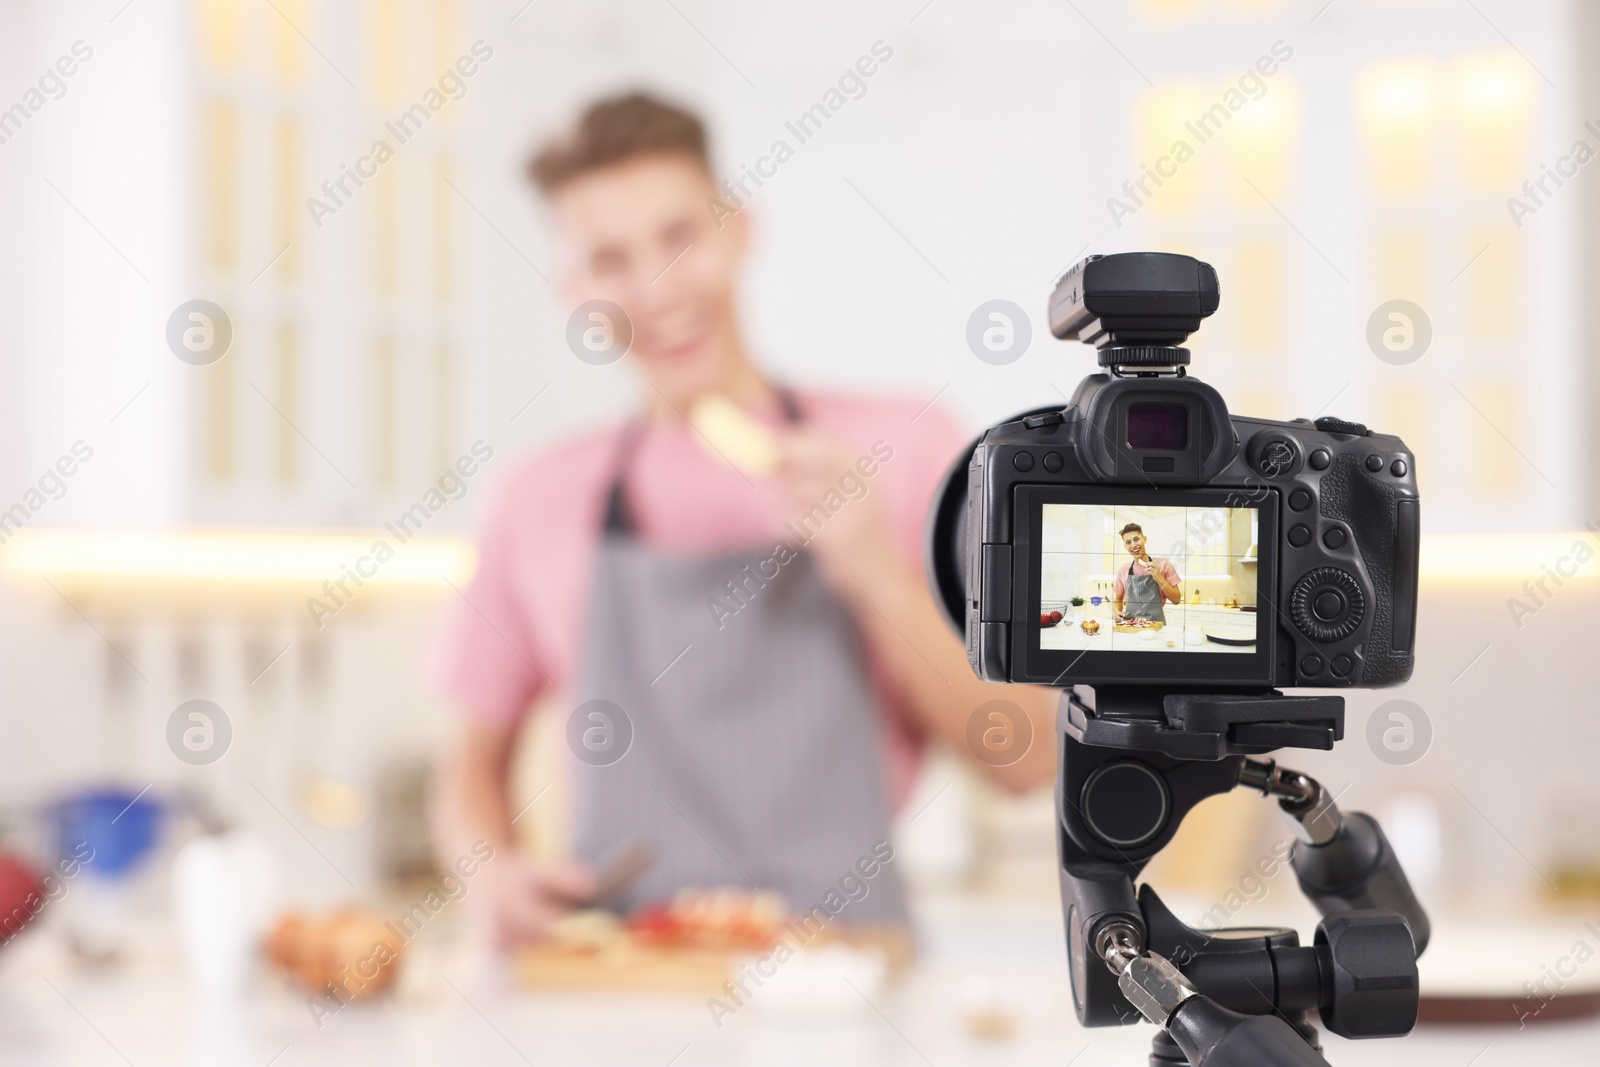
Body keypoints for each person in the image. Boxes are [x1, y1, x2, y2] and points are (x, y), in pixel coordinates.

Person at [428, 92, 1056, 947]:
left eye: (679, 237)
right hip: (622, 982)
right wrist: (487, 872)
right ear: (573, 289)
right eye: (610, 258)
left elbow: (1027, 759)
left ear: (738, 230)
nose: (655, 289)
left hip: (848, 989)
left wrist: (876, 571)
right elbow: (469, 766)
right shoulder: (536, 496)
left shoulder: (906, 447)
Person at [1112, 522, 1181, 625]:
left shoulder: (1164, 564)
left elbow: (1177, 600)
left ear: (1144, 539)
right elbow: (1118, 599)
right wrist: (1117, 612)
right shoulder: (1123, 570)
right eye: (1128, 542)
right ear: (1125, 546)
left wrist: (1159, 578)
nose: (1134, 545)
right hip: (1131, 626)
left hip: (1157, 626)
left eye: (1136, 539)